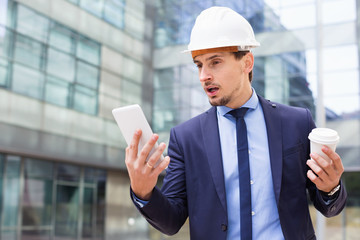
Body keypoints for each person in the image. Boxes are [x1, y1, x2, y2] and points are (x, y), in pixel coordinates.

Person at [125, 6, 347, 240]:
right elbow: (170, 223)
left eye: (215, 62)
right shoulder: (186, 138)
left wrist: (331, 187)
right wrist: (144, 192)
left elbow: (328, 207)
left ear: (247, 63)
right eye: (199, 65)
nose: (204, 76)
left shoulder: (296, 123)